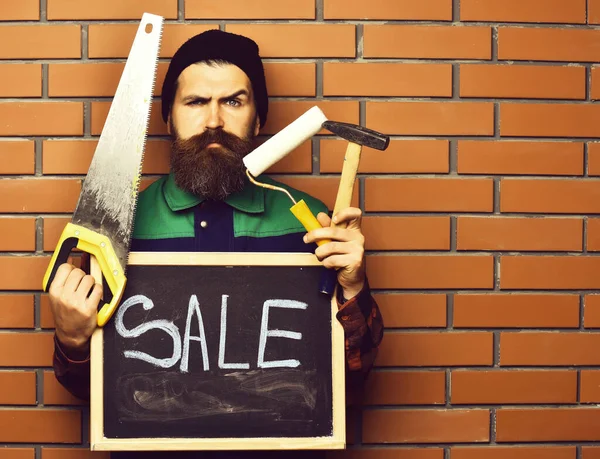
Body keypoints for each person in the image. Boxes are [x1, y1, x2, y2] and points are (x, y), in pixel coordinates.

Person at [48, 30, 384, 457]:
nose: (213, 121)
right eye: (195, 102)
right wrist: (72, 340)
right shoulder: (116, 225)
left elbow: (354, 379)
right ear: (167, 117)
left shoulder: (314, 222)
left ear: (258, 119)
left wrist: (354, 289)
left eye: (233, 102)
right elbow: (90, 392)